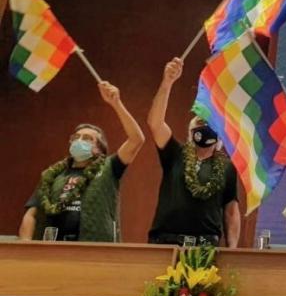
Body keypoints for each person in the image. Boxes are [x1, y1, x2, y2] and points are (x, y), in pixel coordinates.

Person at [19, 81, 145, 242]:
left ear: (99, 149)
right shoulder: (53, 175)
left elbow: (137, 140)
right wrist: (26, 247)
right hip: (53, 249)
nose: (79, 141)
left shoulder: (109, 167)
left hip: (94, 251)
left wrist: (116, 103)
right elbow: (31, 215)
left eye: (87, 139)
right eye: (76, 137)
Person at [146, 58, 240, 247]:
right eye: (199, 122)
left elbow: (231, 210)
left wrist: (232, 250)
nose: (204, 125)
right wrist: (167, 83)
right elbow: (155, 123)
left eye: (210, 122)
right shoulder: (175, 153)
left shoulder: (228, 167)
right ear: (190, 131)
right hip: (165, 243)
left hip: (206, 248)